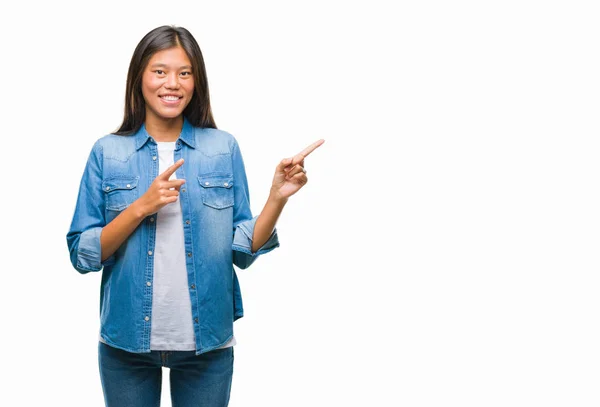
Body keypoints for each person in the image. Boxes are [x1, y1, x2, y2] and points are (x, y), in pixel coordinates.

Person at [66, 25, 324, 407]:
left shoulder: (222, 147)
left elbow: (242, 251)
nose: (172, 83)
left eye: (184, 73)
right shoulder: (108, 152)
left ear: (196, 81)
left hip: (207, 344)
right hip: (126, 343)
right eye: (160, 71)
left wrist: (277, 198)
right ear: (139, 76)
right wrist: (141, 206)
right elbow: (82, 253)